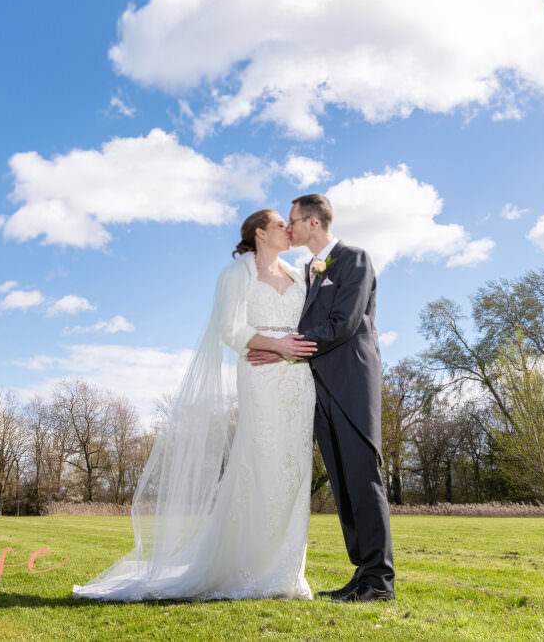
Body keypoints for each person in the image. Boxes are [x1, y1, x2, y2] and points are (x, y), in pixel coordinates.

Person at [72, 209, 318, 602]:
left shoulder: (298, 273)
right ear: (259, 233)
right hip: (260, 374)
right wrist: (276, 346)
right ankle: (248, 568)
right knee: (261, 464)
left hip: (298, 380)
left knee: (294, 470)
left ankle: (286, 572)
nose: (288, 229)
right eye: (279, 224)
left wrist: (292, 351)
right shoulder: (237, 274)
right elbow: (230, 329)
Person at [249, 193, 396, 602]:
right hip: (320, 388)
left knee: (364, 477)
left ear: (312, 222)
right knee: (344, 481)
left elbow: (343, 324)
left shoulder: (354, 259)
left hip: (352, 381)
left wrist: (280, 347)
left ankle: (380, 581)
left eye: (292, 220)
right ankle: (362, 573)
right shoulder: (310, 272)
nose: (288, 227)